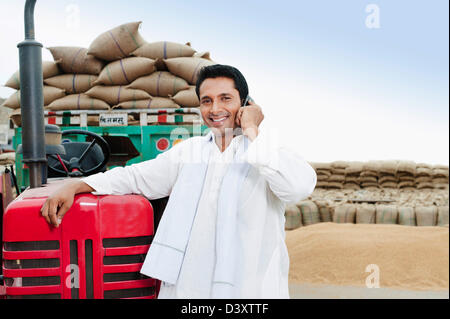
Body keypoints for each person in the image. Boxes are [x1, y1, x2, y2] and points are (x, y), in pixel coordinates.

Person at [40, 64, 317, 298]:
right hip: (191, 289)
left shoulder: (267, 151)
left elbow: (298, 187)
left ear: (246, 104)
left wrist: (253, 130)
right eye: (206, 100)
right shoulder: (190, 152)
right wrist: (78, 185)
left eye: (226, 99)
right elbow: (136, 177)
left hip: (249, 291)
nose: (215, 108)